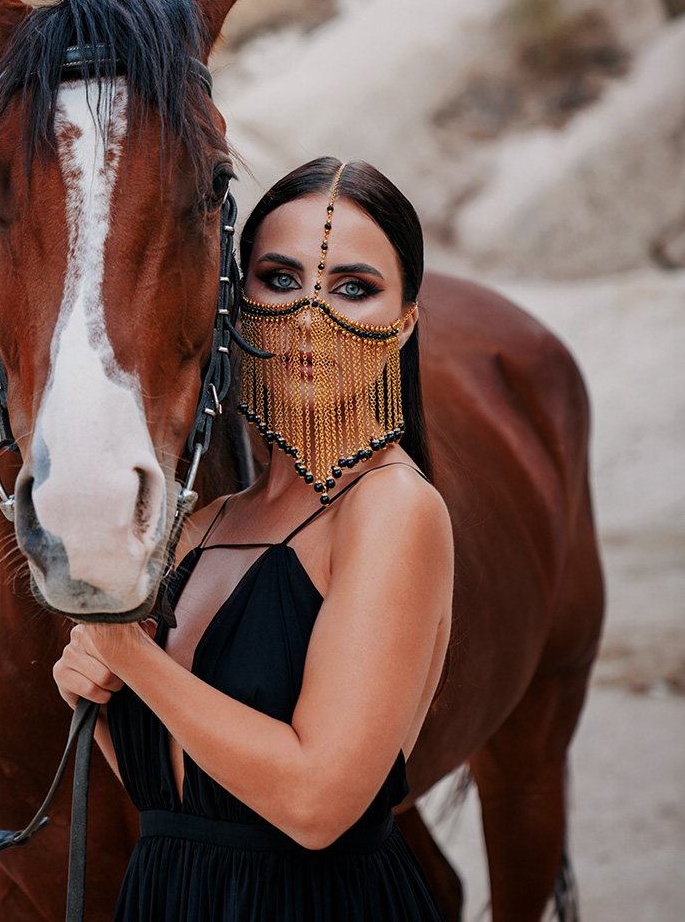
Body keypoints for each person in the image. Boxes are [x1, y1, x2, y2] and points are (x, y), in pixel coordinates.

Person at [54, 157, 453, 921]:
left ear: (403, 322)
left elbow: (314, 804)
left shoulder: (393, 510)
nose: (310, 319)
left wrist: (130, 657)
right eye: (280, 278)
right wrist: (99, 694)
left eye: (353, 289)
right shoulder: (204, 524)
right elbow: (178, 799)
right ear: (238, 301)